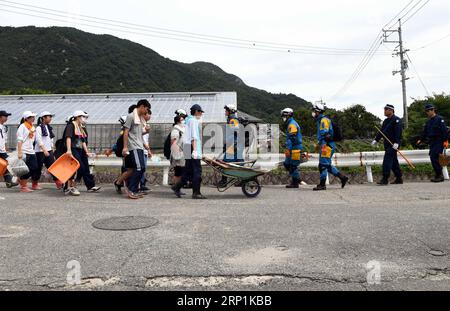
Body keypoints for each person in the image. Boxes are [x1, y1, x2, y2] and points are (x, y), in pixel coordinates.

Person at [172, 104, 206, 199]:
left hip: (187, 147)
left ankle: (176, 187)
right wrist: (195, 150)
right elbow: (193, 137)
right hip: (192, 148)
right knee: (197, 171)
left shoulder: (187, 121)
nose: (201, 114)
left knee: (188, 171)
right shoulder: (193, 121)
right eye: (200, 112)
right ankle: (196, 193)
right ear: (196, 111)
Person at [312, 103, 349, 191]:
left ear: (318, 111)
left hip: (326, 145)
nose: (313, 113)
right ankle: (343, 178)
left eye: (314, 111)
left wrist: (322, 144)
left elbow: (324, 134)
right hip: (326, 145)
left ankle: (322, 184)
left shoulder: (324, 120)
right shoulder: (320, 120)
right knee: (327, 165)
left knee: (322, 165)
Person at [64, 111, 101, 196]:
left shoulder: (80, 127)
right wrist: (69, 150)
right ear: (77, 117)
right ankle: (71, 187)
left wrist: (87, 152)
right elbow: (68, 138)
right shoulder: (71, 125)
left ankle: (90, 186)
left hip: (81, 150)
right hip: (73, 149)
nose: (85, 119)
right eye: (83, 117)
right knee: (78, 167)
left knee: (85, 167)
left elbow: (83, 141)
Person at [122, 99, 151, 200]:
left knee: (141, 168)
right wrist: (125, 147)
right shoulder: (131, 116)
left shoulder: (140, 118)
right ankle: (131, 189)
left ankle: (133, 190)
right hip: (133, 147)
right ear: (142, 106)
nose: (146, 112)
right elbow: (126, 132)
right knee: (138, 168)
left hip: (139, 146)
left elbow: (137, 134)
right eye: (146, 109)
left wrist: (145, 132)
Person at [371, 104, 403, 186]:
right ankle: (399, 178)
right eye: (384, 109)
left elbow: (398, 133)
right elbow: (381, 132)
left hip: (393, 144)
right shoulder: (385, 121)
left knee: (387, 161)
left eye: (386, 109)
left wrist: (397, 143)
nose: (384, 111)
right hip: (387, 144)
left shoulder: (397, 120)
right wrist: (376, 140)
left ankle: (385, 178)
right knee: (393, 162)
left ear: (391, 110)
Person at [416, 104, 449, 183]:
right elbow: (425, 132)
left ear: (433, 110)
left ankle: (439, 175)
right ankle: (438, 174)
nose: (427, 112)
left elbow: (444, 131)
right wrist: (420, 140)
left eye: (428, 111)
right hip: (432, 141)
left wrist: (446, 141)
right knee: (432, 157)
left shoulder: (440, 119)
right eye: (426, 111)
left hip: (439, 140)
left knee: (435, 157)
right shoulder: (428, 121)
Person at [34, 111, 63, 190]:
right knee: (38, 168)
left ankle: (58, 182)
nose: (50, 118)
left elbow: (50, 139)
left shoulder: (48, 127)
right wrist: (44, 150)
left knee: (53, 167)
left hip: (49, 150)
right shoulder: (39, 128)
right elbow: (38, 140)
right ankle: (34, 183)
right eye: (49, 117)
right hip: (40, 151)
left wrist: (51, 148)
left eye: (51, 117)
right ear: (43, 118)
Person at [218, 104, 245, 187]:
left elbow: (236, 131)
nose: (225, 112)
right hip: (235, 145)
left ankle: (224, 182)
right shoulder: (231, 119)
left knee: (225, 163)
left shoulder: (233, 120)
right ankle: (242, 180)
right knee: (238, 162)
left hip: (234, 145)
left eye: (226, 110)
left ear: (230, 111)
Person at [16, 111, 39, 193]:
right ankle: (24, 187)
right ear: (26, 118)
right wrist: (19, 152)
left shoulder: (32, 127)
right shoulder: (22, 126)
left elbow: (33, 139)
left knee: (34, 167)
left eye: (33, 117)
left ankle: (20, 179)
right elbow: (19, 140)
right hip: (24, 150)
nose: (33, 118)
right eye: (31, 117)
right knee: (25, 169)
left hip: (31, 150)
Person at [281, 108, 303, 189]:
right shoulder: (290, 124)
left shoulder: (292, 124)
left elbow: (292, 138)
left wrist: (288, 149)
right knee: (287, 164)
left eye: (284, 116)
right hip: (292, 148)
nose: (283, 118)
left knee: (293, 166)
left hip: (295, 148)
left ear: (288, 115)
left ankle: (295, 182)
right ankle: (296, 179)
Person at [0, 110, 18, 188]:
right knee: (5, 165)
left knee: (5, 165)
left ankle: (9, 182)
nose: (7, 118)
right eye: (5, 116)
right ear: (0, 117)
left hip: (2, 150)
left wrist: (5, 146)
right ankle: (8, 182)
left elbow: (4, 138)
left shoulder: (3, 127)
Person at [170, 109, 187, 190]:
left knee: (180, 172)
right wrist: (176, 154)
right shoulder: (176, 130)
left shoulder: (181, 130)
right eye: (182, 119)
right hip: (178, 155)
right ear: (179, 121)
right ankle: (176, 188)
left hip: (181, 154)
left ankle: (177, 188)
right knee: (178, 172)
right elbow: (173, 143)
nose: (184, 120)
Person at [140, 110, 153, 194]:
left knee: (143, 168)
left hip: (144, 149)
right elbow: (140, 138)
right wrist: (147, 148)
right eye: (148, 114)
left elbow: (146, 139)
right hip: (141, 149)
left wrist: (148, 150)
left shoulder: (146, 125)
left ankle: (142, 184)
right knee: (141, 168)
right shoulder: (140, 125)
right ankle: (140, 185)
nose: (150, 116)